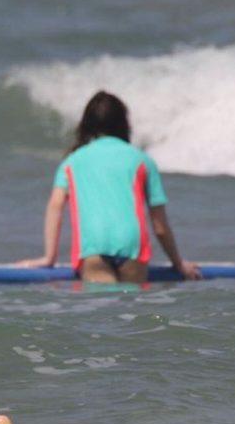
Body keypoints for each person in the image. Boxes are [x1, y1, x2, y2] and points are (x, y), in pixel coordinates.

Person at [18, 91, 201, 283]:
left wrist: (49, 258)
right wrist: (178, 263)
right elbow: (159, 225)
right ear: (124, 123)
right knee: (132, 308)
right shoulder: (142, 160)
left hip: (93, 245)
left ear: (86, 124)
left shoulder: (71, 162)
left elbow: (55, 207)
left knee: (102, 306)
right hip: (132, 245)